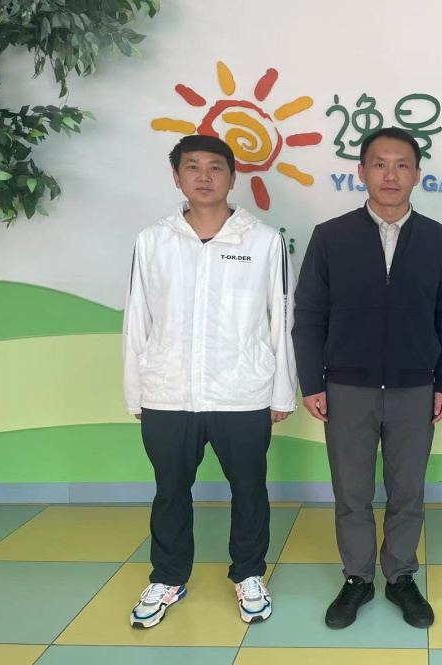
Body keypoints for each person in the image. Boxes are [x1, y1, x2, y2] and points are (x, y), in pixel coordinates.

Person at [292, 127, 442, 629]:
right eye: (380, 164)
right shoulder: (331, 236)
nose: (391, 175)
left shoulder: (437, 239)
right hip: (347, 386)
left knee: (407, 491)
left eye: (402, 164)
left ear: (417, 174)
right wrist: (312, 382)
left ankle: (401, 576)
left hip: (416, 388)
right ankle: (357, 578)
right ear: (362, 171)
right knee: (352, 491)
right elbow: (309, 314)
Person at [122, 134, 297, 628]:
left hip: (241, 392)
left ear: (232, 177)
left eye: (215, 167)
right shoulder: (152, 241)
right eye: (192, 167)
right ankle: (168, 577)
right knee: (170, 491)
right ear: (176, 176)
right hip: (168, 391)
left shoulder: (263, 241)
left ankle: (249, 574)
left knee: (250, 490)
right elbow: (137, 318)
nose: (204, 176)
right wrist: (137, 390)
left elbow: (281, 318)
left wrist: (282, 391)